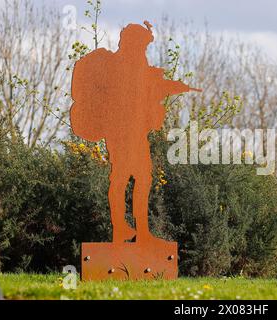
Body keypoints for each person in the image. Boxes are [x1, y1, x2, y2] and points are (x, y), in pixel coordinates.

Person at [70, 21, 200, 243]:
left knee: (141, 178)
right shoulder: (119, 65)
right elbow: (139, 88)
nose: (144, 50)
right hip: (120, 134)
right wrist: (166, 86)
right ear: (132, 43)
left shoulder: (134, 64)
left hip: (136, 133)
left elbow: (146, 87)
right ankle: (120, 228)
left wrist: (173, 86)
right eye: (143, 45)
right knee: (121, 178)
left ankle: (142, 233)